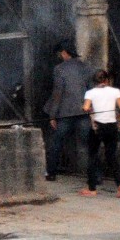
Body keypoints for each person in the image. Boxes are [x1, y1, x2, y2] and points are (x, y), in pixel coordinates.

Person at [43, 44, 94, 182]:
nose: (60, 56)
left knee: (56, 143)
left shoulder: (59, 69)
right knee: (89, 144)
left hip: (65, 113)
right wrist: (91, 109)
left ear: (65, 53)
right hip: (83, 111)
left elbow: (58, 93)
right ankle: (96, 176)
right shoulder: (86, 67)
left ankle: (51, 173)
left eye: (61, 53)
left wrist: (52, 115)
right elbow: (91, 89)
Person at [82, 70, 120, 197]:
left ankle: (92, 188)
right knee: (111, 156)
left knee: (92, 156)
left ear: (94, 82)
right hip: (112, 127)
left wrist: (89, 109)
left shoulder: (90, 93)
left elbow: (86, 107)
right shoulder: (115, 91)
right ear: (107, 80)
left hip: (97, 127)